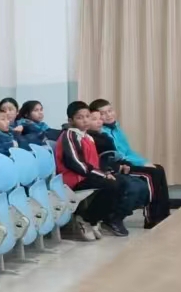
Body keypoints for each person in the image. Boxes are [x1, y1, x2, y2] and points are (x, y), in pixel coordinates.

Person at [57, 101, 141, 237]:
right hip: (75, 179)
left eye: (87, 116)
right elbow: (76, 164)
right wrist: (102, 175)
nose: (85, 120)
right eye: (80, 118)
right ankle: (85, 218)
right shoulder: (70, 135)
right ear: (70, 121)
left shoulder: (87, 137)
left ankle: (96, 219)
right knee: (112, 184)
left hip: (87, 176)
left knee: (122, 182)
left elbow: (94, 163)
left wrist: (105, 172)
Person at [92, 98, 172, 227]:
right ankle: (151, 218)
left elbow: (128, 151)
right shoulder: (103, 133)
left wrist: (144, 162)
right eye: (103, 113)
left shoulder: (116, 129)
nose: (108, 115)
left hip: (128, 161)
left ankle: (163, 214)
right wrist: (141, 164)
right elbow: (119, 155)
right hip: (121, 165)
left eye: (110, 111)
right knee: (153, 173)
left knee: (159, 168)